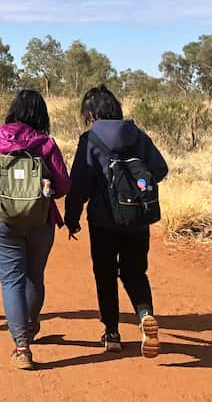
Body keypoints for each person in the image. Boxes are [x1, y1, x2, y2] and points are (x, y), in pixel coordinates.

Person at [64, 84, 169, 358]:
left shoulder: (89, 140)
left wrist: (72, 217)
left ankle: (111, 333)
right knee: (135, 272)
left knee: (105, 274)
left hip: (103, 220)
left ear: (90, 113)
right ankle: (145, 315)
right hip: (137, 219)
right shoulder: (138, 135)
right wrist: (136, 188)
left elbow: (79, 184)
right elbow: (160, 169)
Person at [0, 89, 70, 370]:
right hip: (41, 221)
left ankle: (21, 346)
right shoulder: (46, 144)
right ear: (41, 114)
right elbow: (63, 186)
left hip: (2, 221)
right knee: (34, 276)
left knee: (11, 280)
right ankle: (29, 324)